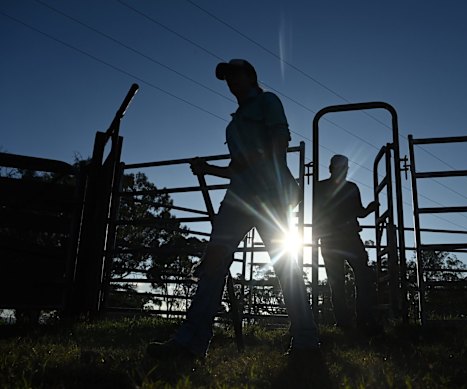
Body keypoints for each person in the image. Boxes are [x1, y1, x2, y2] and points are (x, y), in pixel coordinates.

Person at [148, 59, 319, 360]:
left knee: (285, 266)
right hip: (238, 199)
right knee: (213, 263)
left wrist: (269, 170)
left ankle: (306, 342)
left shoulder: (267, 101)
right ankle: (190, 343)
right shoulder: (233, 124)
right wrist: (207, 169)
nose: (230, 82)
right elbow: (236, 169)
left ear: (251, 76)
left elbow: (279, 141)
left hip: (270, 196)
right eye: (227, 78)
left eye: (235, 75)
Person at [314, 155, 381, 335]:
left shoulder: (320, 187)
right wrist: (368, 209)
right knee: (361, 277)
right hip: (347, 238)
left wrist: (367, 209)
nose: (344, 170)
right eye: (343, 167)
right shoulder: (350, 188)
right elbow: (359, 212)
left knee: (340, 283)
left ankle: (346, 323)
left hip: (331, 240)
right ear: (335, 168)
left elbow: (316, 214)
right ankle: (362, 320)